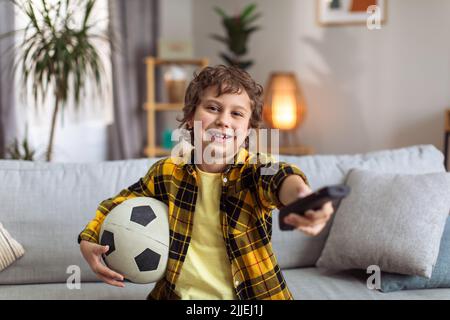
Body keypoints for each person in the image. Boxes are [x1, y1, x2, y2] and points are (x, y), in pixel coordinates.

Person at [78, 65, 334, 300]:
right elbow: (119, 202)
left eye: (237, 113)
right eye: (213, 108)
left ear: (248, 129)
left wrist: (301, 196)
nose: (224, 120)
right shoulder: (168, 171)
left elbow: (281, 178)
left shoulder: (254, 169)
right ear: (190, 117)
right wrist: (89, 238)